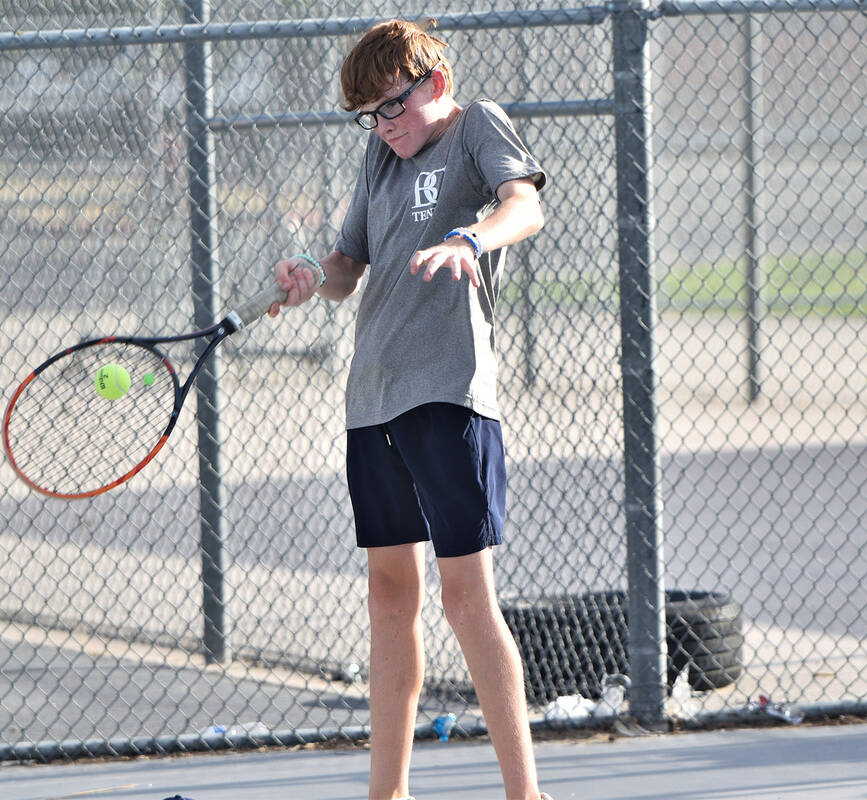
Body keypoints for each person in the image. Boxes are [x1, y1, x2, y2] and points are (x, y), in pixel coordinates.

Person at [269, 18, 551, 800]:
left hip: (447, 394)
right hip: (375, 400)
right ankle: (384, 794)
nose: (382, 127)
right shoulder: (377, 154)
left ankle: (526, 795)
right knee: (391, 594)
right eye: (367, 116)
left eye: (391, 108)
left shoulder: (475, 127)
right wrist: (308, 276)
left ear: (434, 83)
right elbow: (347, 267)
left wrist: (472, 237)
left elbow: (524, 207)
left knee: (466, 597)